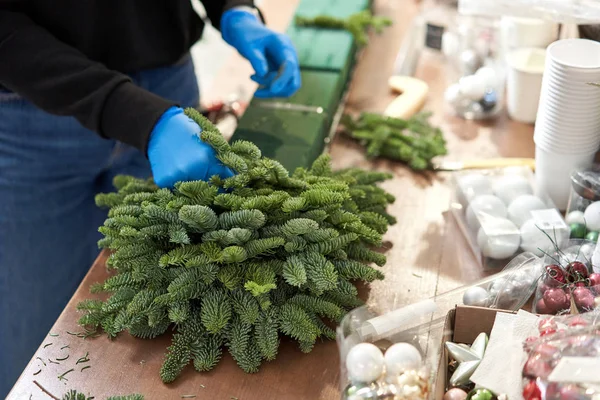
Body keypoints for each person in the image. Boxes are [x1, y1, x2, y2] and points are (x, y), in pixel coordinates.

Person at [0, 1, 301, 396]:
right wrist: (138, 116)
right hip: (30, 112)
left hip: (166, 89)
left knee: (174, 309)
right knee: (35, 333)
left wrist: (235, 9)